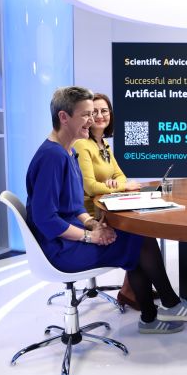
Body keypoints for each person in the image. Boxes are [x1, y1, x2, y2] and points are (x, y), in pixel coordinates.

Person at [26, 86, 187, 334]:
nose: (92, 120)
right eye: (85, 115)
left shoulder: (67, 151)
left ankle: (153, 315)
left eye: (94, 114)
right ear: (64, 117)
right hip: (59, 249)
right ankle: (166, 305)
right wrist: (91, 236)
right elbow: (46, 220)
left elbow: (74, 205)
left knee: (137, 238)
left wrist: (92, 224)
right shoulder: (52, 157)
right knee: (140, 240)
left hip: (72, 235)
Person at [73, 93, 150, 311]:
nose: (99, 115)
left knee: (142, 228)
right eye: (94, 111)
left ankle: (131, 289)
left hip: (106, 208)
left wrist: (116, 184)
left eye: (104, 111)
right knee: (139, 234)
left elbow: (121, 176)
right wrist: (117, 186)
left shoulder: (103, 143)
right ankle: (133, 292)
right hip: (90, 217)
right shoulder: (82, 144)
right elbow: (90, 187)